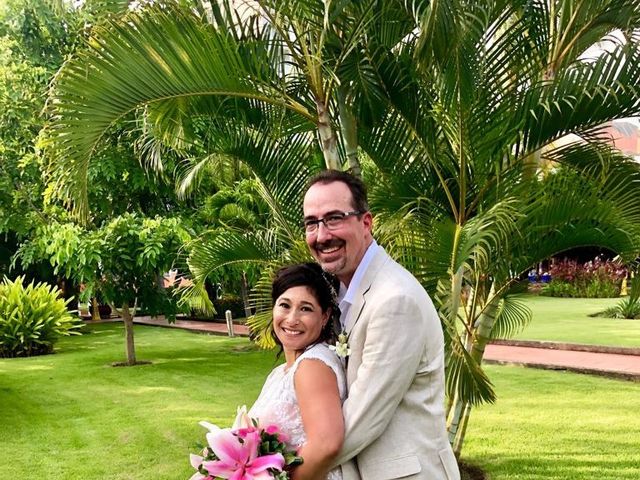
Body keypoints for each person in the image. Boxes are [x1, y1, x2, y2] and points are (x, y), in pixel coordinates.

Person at [303, 170, 460, 480]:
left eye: (334, 218)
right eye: (312, 223)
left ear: (365, 223)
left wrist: (276, 470)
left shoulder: (394, 300)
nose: (321, 235)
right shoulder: (347, 292)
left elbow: (361, 420)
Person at [248, 263, 348, 480]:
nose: (292, 319)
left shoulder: (312, 366)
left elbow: (326, 445)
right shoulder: (280, 373)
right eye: (285, 305)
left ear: (325, 316)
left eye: (306, 308)